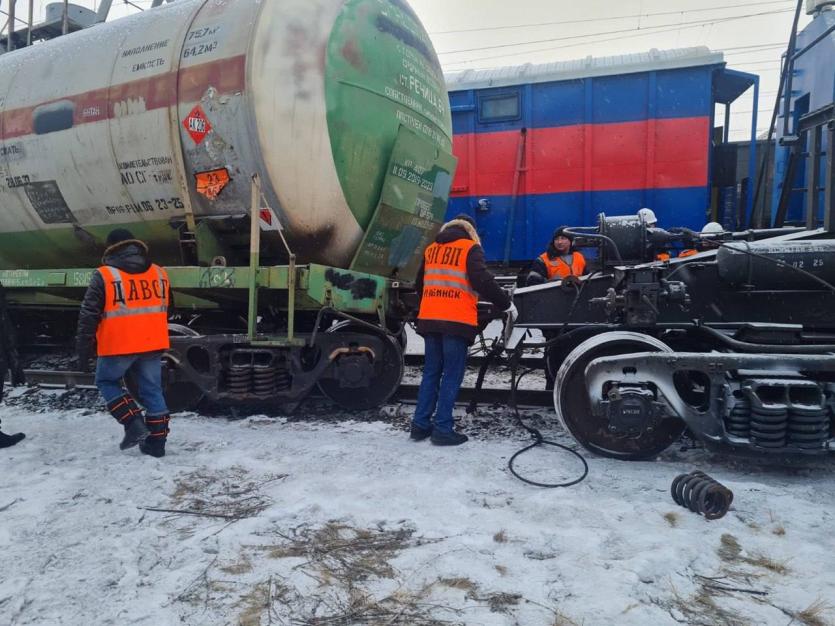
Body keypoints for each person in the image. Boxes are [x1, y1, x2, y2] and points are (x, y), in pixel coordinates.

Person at [411, 214, 516, 446]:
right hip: (456, 321)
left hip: (430, 319)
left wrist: (433, 303)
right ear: (471, 230)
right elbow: (482, 281)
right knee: (451, 374)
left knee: (431, 373)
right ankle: (442, 429)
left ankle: (419, 426)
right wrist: (506, 304)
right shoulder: (470, 248)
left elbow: (419, 284)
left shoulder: (431, 249)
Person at [76, 228, 172, 457]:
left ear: (111, 248)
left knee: (106, 381)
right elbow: (169, 306)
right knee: (152, 390)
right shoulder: (159, 273)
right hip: (153, 341)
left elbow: (88, 313)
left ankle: (133, 422)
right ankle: (157, 445)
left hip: (118, 343)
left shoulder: (105, 274)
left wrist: (82, 346)